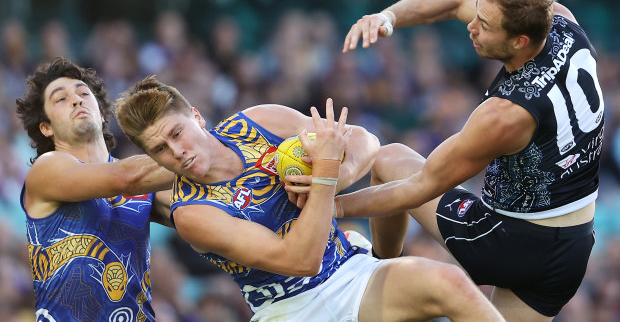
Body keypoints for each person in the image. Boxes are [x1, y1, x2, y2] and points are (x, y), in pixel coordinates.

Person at [317, 0, 602, 321]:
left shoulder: (505, 115)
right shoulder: (561, 21)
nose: (471, 27)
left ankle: (377, 279)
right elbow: (451, 1)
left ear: (519, 41)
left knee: (389, 159)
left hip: (509, 244)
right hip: (572, 250)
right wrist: (387, 17)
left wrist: (329, 206)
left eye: (484, 24)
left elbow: (417, 187)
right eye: (477, 14)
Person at [114, 76, 505, 322]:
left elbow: (366, 141)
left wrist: (341, 175)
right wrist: (325, 177)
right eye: (160, 149)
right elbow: (301, 261)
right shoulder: (193, 214)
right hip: (294, 307)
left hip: (347, 270)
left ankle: (484, 246)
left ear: (197, 117)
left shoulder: (258, 121)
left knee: (446, 276)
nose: (176, 151)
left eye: (177, 133)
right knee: (442, 281)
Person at [16, 57, 174, 322]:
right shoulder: (46, 170)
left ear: (101, 113)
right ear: (46, 127)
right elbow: (125, 178)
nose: (77, 100)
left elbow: (196, 210)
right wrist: (200, 149)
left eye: (82, 93)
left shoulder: (142, 180)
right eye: (61, 99)